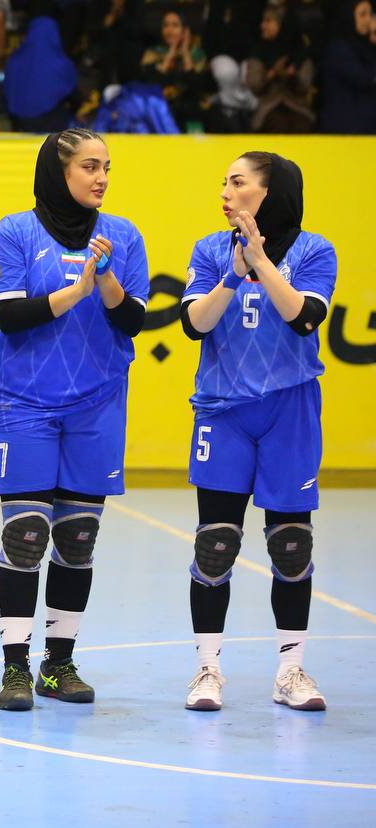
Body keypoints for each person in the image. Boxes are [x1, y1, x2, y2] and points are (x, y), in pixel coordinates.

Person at [0, 129, 148, 712]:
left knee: (77, 539)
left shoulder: (123, 236)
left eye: (107, 167)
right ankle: (15, 667)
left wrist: (104, 281)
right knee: (25, 535)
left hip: (97, 404)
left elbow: (132, 320)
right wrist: (77, 290)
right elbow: (9, 316)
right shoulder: (15, 232)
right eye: (89, 166)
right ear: (59, 172)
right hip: (23, 403)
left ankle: (58, 664)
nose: (101, 178)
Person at [178, 152, 335, 712]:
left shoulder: (314, 251)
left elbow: (304, 317)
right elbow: (195, 323)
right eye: (223, 181)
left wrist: (260, 260)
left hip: (289, 411)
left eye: (237, 182)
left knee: (291, 545)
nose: (225, 191)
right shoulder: (209, 250)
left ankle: (290, 672)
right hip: (223, 411)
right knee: (215, 543)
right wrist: (232, 272)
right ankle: (207, 671)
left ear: (269, 192)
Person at [244, 5, 314, 133]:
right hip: (268, 106)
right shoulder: (259, 50)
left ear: (283, 25)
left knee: (301, 126)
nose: (262, 26)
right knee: (278, 125)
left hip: (296, 105)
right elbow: (254, 84)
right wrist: (272, 74)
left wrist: (292, 76)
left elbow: (304, 86)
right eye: (263, 21)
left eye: (268, 21)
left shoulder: (299, 52)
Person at [3, 14, 77, 132]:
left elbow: (7, 91)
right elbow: (73, 94)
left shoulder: (14, 60)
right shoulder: (62, 64)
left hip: (19, 123)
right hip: (52, 125)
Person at [140, 9, 209, 130]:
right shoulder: (153, 54)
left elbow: (197, 87)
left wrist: (185, 53)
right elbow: (152, 86)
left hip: (190, 114)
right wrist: (170, 54)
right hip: (158, 114)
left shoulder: (197, 55)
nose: (169, 30)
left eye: (175, 25)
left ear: (185, 31)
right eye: (166, 25)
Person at [319, 0, 376, 134]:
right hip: (347, 127)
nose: (369, 20)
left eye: (371, 14)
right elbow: (365, 79)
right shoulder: (339, 48)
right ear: (349, 17)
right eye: (362, 14)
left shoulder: (367, 46)